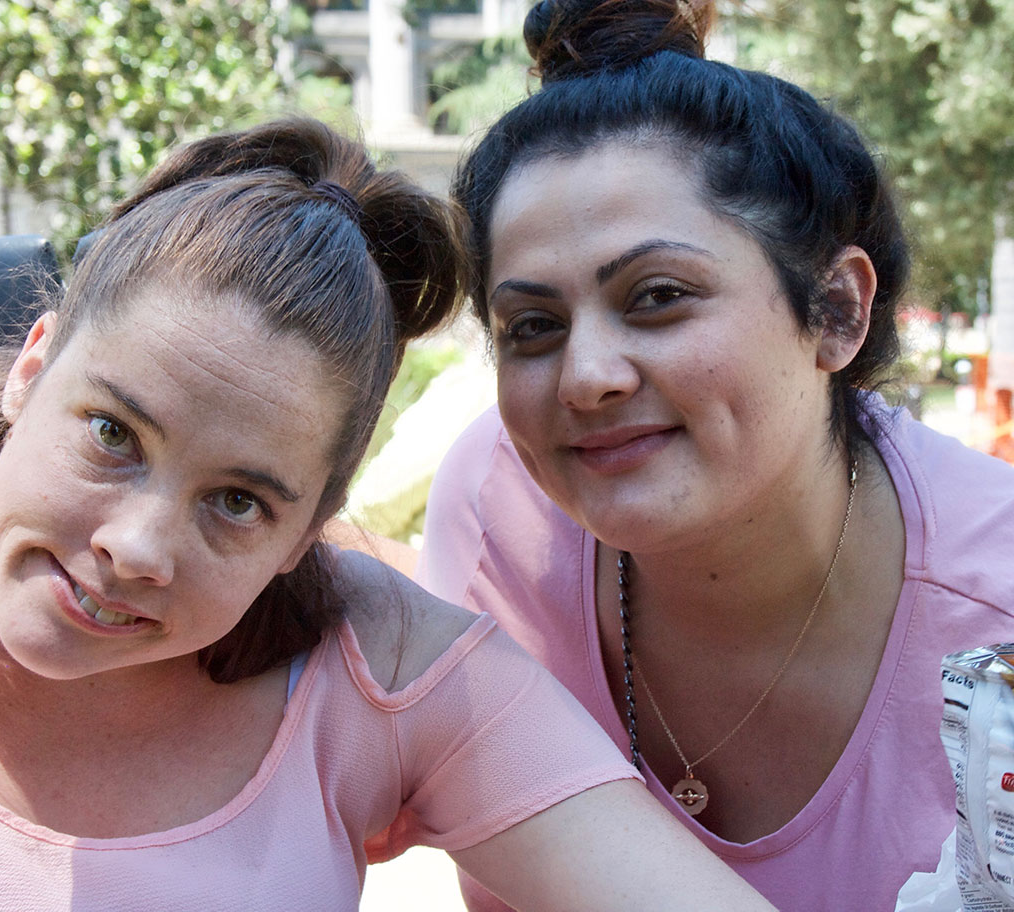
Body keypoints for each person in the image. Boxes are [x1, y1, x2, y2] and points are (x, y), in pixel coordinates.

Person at [0, 118, 774, 911]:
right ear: (33, 367)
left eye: (238, 502)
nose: (136, 547)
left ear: (309, 528)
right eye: (112, 434)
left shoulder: (378, 669)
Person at [417, 2, 1014, 910]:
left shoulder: (997, 602)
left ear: (838, 312)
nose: (586, 377)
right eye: (532, 326)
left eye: (657, 296)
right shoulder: (495, 503)